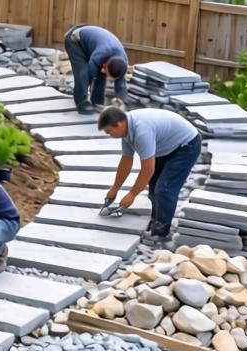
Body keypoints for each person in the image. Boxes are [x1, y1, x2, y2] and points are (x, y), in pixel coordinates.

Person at [97, 105, 202, 244]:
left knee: (164, 189)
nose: (108, 134)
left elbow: (147, 169)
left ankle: (162, 233)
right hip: (166, 146)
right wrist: (115, 189)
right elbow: (126, 162)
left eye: (109, 131)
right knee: (153, 189)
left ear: (120, 124)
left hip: (186, 145)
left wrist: (132, 194)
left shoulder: (141, 131)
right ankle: (156, 220)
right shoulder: (127, 132)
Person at [63, 25, 129, 113]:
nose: (109, 79)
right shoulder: (100, 54)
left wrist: (120, 101)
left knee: (101, 74)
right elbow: (89, 76)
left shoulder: (122, 64)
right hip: (74, 39)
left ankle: (97, 102)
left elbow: (121, 85)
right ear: (105, 64)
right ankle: (81, 102)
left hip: (92, 41)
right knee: (83, 72)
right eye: (107, 72)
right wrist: (84, 90)